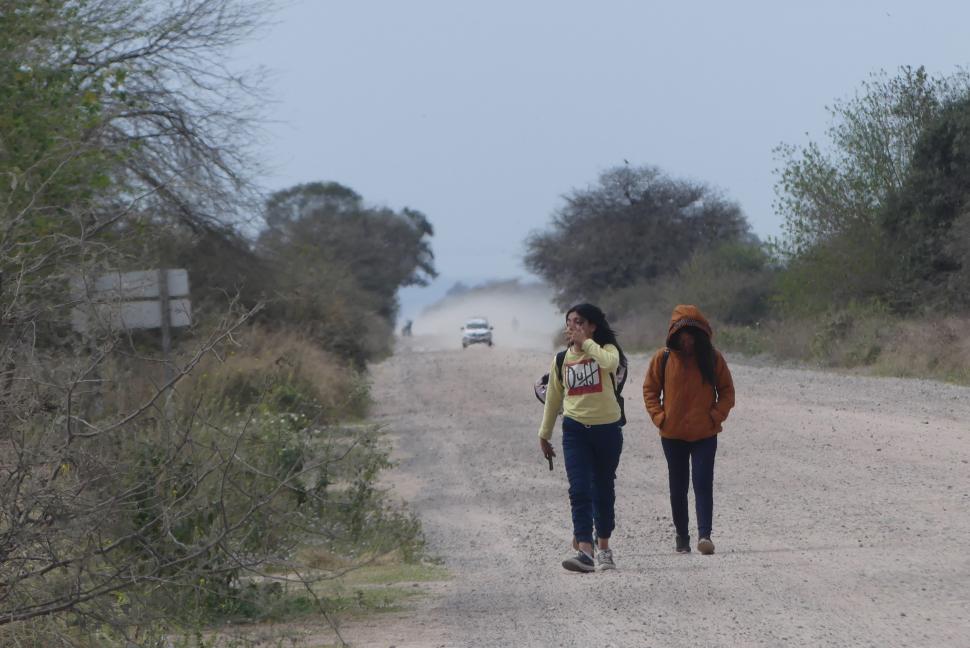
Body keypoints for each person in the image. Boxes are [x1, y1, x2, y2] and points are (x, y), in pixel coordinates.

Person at [538, 303, 626, 573]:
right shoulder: (561, 360)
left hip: (608, 429)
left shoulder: (607, 352)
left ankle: (604, 546)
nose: (572, 327)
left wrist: (587, 343)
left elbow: (611, 364)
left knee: (603, 487)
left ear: (592, 326)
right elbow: (553, 399)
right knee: (579, 489)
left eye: (578, 322)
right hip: (575, 430)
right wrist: (544, 434)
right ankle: (585, 550)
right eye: (569, 323)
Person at [642, 305, 735, 555]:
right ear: (674, 334)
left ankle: (705, 536)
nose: (687, 340)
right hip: (672, 435)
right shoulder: (662, 359)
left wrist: (715, 417)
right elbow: (650, 390)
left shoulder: (713, 359)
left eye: (691, 335)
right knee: (678, 487)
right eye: (682, 335)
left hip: (705, 434)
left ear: (700, 334)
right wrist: (660, 418)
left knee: (703, 483)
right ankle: (682, 537)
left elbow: (727, 392)